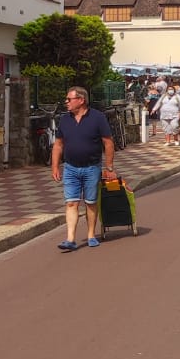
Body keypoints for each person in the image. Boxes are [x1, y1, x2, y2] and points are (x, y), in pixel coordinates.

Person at [51, 85, 114, 250]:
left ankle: (91, 234)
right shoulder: (65, 119)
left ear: (81, 100)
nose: (66, 102)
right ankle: (70, 238)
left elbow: (108, 142)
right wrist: (55, 166)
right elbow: (58, 145)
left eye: (69, 99)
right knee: (71, 203)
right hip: (70, 168)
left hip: (92, 167)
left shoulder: (97, 118)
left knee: (91, 202)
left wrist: (109, 166)